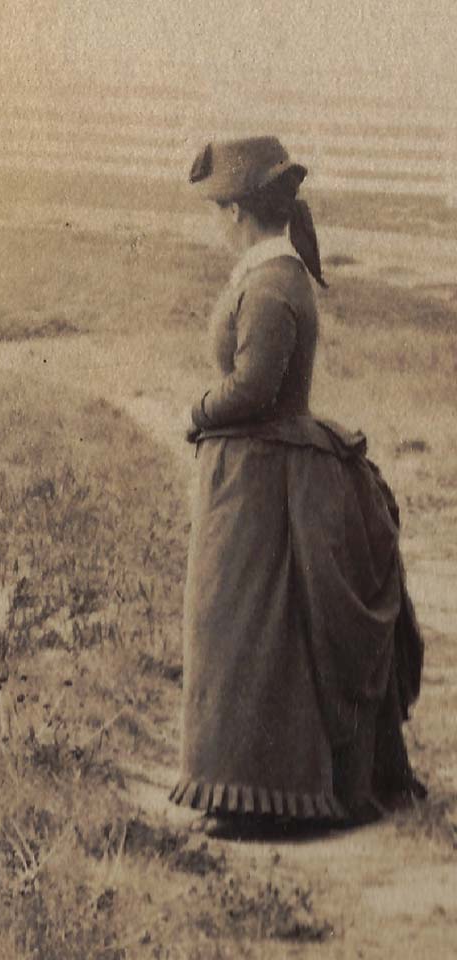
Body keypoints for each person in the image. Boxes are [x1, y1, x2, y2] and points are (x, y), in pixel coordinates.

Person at [172, 136, 426, 831]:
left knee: (249, 627)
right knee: (249, 629)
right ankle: (246, 791)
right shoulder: (269, 276)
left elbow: (254, 388)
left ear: (236, 213)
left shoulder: (273, 283)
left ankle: (265, 796)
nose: (215, 223)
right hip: (257, 475)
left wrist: (196, 411)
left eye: (218, 210)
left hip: (267, 480)